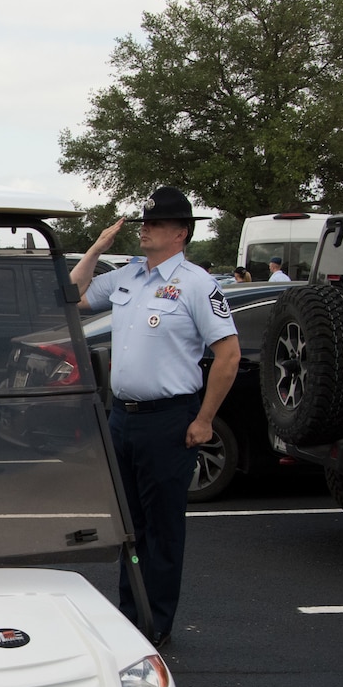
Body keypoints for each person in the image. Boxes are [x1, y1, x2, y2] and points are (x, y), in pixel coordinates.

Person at [71, 186, 239, 649]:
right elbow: (73, 293)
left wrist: (204, 419)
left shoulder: (197, 283)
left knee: (162, 528)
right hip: (123, 417)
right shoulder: (128, 277)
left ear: (180, 233)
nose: (144, 229)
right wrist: (98, 247)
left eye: (155, 223)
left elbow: (228, 355)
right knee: (130, 527)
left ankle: (156, 621)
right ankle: (131, 612)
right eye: (144, 222)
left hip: (169, 419)